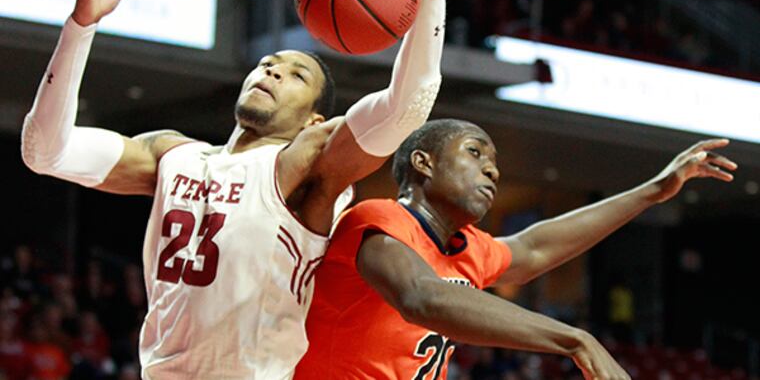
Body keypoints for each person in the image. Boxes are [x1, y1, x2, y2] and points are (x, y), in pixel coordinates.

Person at [20, 0, 449, 376]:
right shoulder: (172, 155)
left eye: (296, 74)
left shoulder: (304, 163)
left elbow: (407, 105)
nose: (272, 70)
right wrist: (81, 26)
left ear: (315, 117)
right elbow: (44, 152)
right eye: (269, 62)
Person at [295, 119, 736, 379]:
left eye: (495, 164)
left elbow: (536, 248)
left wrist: (654, 191)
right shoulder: (376, 218)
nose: (492, 171)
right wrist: (575, 340)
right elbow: (422, 298)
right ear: (423, 162)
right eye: (475, 154)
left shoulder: (467, 249)